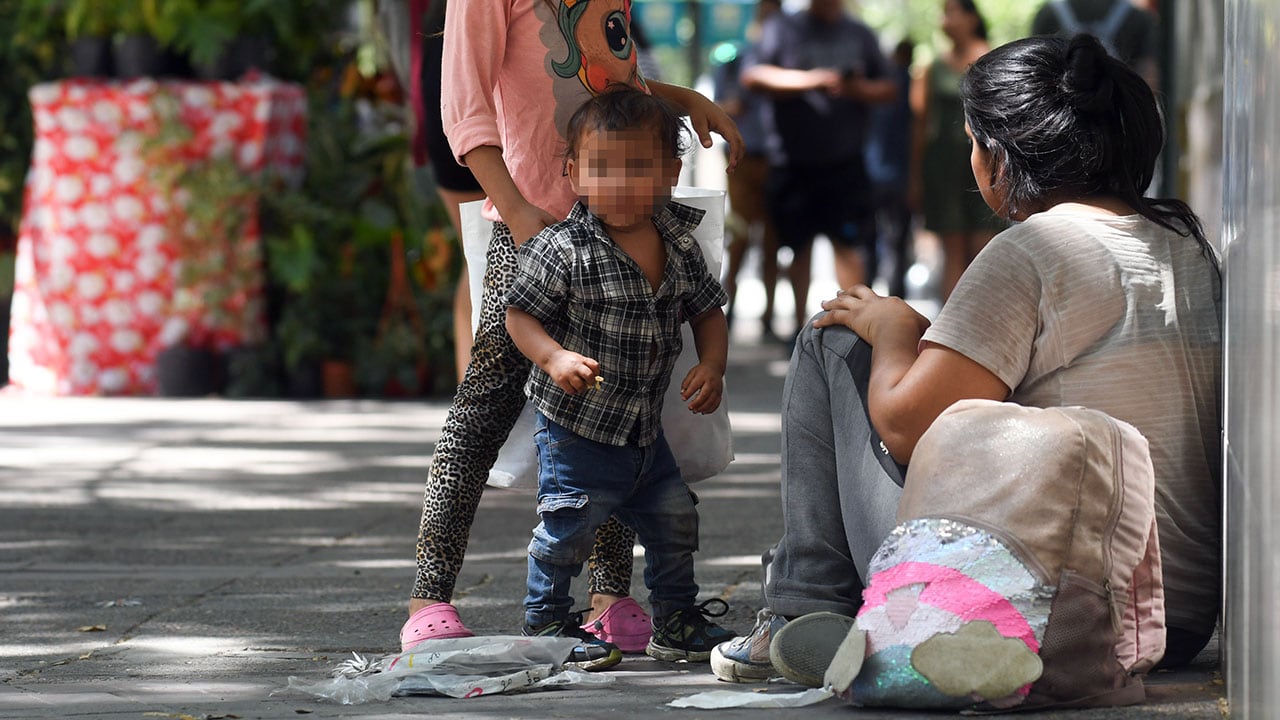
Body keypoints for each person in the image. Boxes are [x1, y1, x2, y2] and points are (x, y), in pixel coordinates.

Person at [711, 33, 1222, 684]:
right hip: (1174, 619)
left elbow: (905, 428)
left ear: (998, 161)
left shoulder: (1033, 251)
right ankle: (819, 615)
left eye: (973, 143)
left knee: (833, 339)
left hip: (1042, 613)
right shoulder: (1186, 246)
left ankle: (803, 608)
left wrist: (895, 332)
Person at [401, 0, 744, 654]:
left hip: (623, 221)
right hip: (532, 226)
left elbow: (606, 83)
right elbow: (464, 107)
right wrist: (518, 209)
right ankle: (429, 595)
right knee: (483, 409)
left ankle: (611, 596)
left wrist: (677, 97)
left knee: (621, 403)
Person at [506, 88, 737, 669]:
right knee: (567, 529)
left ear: (670, 170)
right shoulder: (564, 248)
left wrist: (712, 365)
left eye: (638, 167)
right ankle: (548, 621)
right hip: (576, 429)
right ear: (574, 173)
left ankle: (677, 617)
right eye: (602, 167)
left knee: (674, 519)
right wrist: (554, 357)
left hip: (644, 432)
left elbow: (708, 311)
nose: (620, 182)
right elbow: (520, 315)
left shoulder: (680, 243)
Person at [741, 0, 896, 339]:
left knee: (849, 246)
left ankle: (859, 329)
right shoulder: (782, 28)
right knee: (797, 247)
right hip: (793, 162)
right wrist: (813, 81)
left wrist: (855, 88)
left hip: (845, 163)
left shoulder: (859, 33)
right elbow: (754, 75)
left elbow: (888, 87)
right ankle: (799, 327)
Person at [912, 0, 1005, 300]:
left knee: (985, 250)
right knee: (951, 249)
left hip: (987, 163)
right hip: (943, 169)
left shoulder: (993, 59)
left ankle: (985, 331)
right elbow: (920, 123)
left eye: (951, 11)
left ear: (971, 17)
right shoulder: (932, 66)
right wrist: (913, 176)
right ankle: (949, 333)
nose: (944, 19)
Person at [712, 0, 782, 340]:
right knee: (739, 238)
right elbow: (721, 104)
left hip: (777, 160)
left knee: (772, 241)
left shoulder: (785, 57)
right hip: (742, 159)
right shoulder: (735, 56)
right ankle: (728, 311)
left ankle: (769, 317)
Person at [864, 39, 915, 299]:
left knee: (871, 242)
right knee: (896, 244)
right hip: (897, 174)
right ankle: (895, 299)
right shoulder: (905, 85)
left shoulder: (878, 86)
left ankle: (868, 299)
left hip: (876, 172)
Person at [1032, 0, 1160, 89]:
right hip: (1115, 113)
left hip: (1062, 114)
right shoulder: (1137, 17)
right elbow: (1148, 76)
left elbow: (1034, 71)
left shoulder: (1048, 14)